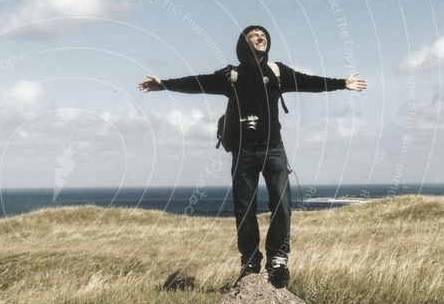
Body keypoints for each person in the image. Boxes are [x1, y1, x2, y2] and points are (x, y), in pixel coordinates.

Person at [138, 25, 366, 287]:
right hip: (243, 152)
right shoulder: (231, 76)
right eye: (255, 35)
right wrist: (164, 85)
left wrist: (342, 84)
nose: (262, 38)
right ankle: (249, 263)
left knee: (281, 205)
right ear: (244, 42)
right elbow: (198, 82)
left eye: (265, 36)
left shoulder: (278, 72)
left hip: (274, 150)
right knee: (244, 210)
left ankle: (278, 261)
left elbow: (309, 82)